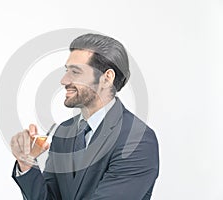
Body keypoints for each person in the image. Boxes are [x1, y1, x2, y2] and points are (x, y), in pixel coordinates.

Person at [10, 33, 159, 200]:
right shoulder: (63, 132)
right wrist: (27, 163)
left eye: (75, 72)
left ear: (106, 78)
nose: (64, 80)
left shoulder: (137, 139)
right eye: (67, 71)